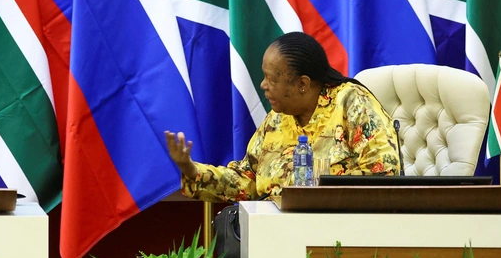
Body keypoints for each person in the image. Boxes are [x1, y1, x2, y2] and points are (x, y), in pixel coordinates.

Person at [165, 32, 400, 201]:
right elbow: (246, 181)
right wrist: (191, 169)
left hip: (336, 233)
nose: (263, 85)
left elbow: (382, 175)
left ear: (302, 84)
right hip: (274, 232)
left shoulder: (351, 102)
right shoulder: (278, 118)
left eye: (272, 79)